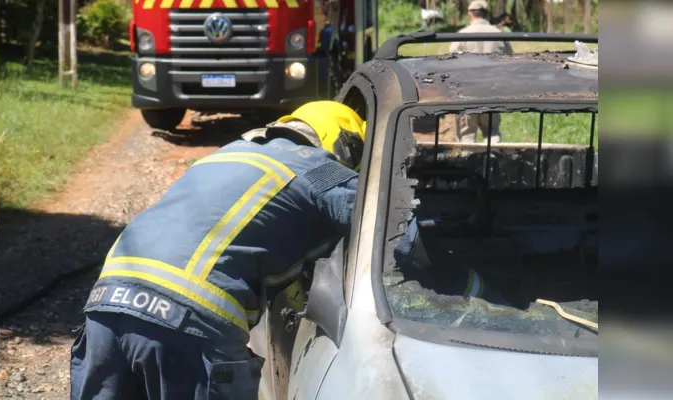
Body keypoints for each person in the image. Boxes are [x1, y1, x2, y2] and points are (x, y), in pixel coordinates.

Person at [69, 101, 505, 400]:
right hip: (186, 325)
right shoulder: (316, 169)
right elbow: (399, 236)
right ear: (343, 146)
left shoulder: (227, 156)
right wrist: (474, 289)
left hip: (106, 305)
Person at [448, 0, 513, 144]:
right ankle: (492, 162)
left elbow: (450, 65)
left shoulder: (461, 35)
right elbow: (511, 62)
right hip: (492, 92)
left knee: (467, 137)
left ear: (470, 14)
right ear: (486, 14)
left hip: (467, 93)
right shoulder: (500, 35)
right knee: (492, 132)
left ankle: (468, 163)